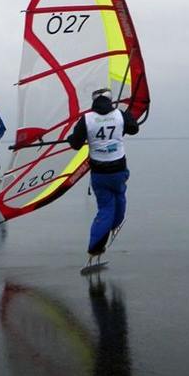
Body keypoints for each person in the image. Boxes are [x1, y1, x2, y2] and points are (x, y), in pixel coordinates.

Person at [67, 88, 139, 266]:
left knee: (105, 208)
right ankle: (115, 224)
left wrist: (71, 139)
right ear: (110, 100)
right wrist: (124, 120)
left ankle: (95, 248)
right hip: (119, 171)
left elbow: (76, 144)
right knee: (120, 198)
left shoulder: (87, 119)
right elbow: (134, 129)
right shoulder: (120, 115)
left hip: (100, 173)